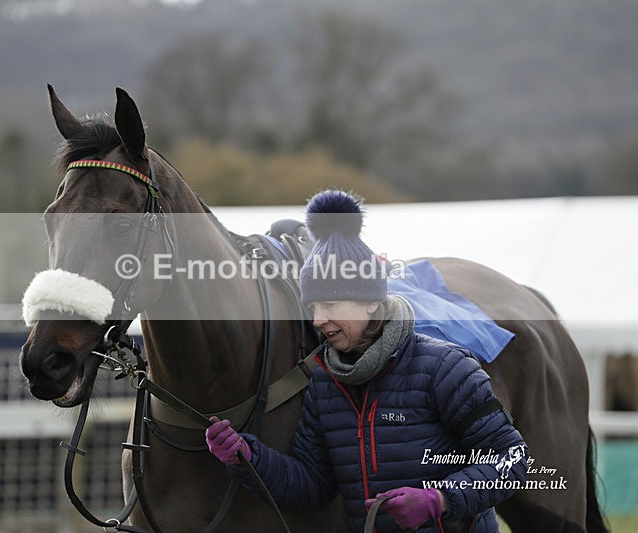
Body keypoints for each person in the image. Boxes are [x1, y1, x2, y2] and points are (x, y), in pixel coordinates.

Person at [205, 190, 529, 532]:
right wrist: (247, 457)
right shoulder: (325, 384)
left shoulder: (446, 368)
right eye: (312, 307)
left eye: (329, 306)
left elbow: (512, 460)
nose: (317, 321)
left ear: (371, 302)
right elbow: (313, 487)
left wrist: (440, 499)